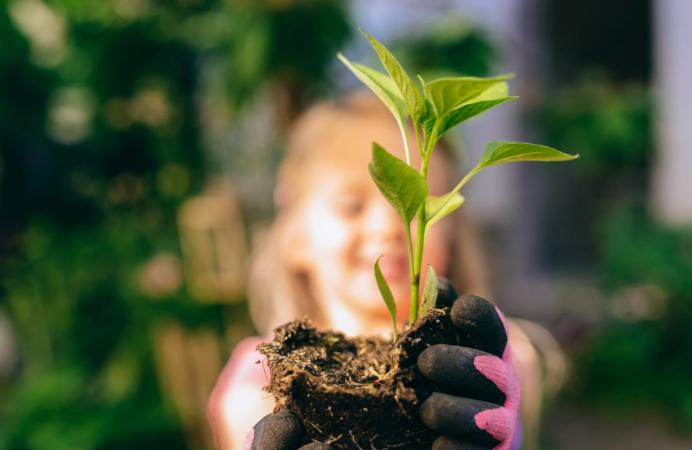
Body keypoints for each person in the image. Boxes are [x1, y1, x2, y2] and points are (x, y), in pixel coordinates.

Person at [208, 93, 552, 450]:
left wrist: (500, 434)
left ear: (452, 234)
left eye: (419, 207)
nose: (389, 226)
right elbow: (245, 422)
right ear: (295, 237)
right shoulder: (260, 380)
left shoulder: (495, 361)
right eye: (351, 206)